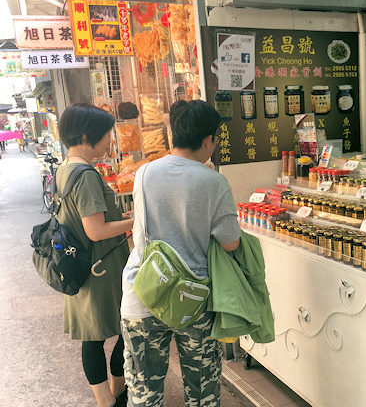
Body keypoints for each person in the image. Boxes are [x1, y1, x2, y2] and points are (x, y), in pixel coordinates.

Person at [121, 100, 241, 406]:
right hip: (193, 301)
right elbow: (230, 242)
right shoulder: (215, 182)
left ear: (174, 134)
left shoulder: (144, 173)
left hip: (143, 292)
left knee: (143, 393)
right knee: (202, 393)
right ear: (208, 141)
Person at [57, 104, 134, 407]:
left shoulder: (66, 168)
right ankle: (109, 398)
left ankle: (113, 392)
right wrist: (136, 220)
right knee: (120, 328)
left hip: (82, 264)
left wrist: (120, 216)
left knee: (97, 333)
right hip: (99, 267)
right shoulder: (86, 174)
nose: (109, 143)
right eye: (106, 137)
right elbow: (96, 230)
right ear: (88, 136)